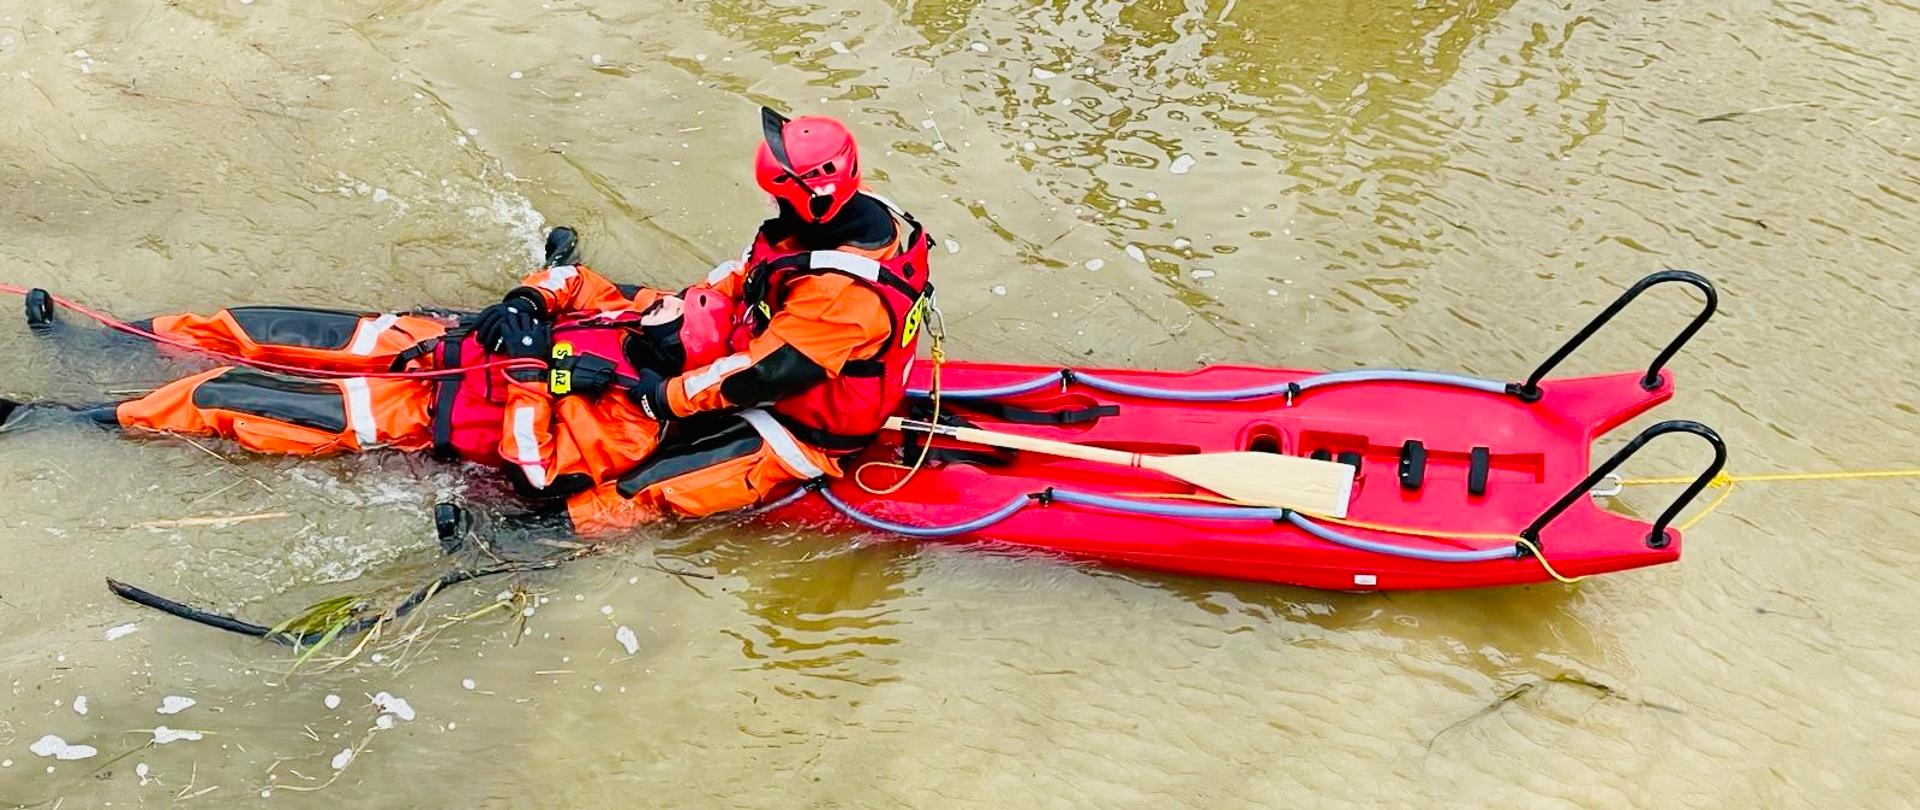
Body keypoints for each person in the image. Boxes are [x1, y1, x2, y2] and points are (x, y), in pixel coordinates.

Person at [4, 228, 725, 505]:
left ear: (682, 348)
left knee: (221, 397)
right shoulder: (643, 310)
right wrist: (527, 301)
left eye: (676, 314)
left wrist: (529, 377)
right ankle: (98, 342)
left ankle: (50, 419)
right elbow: (577, 283)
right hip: (415, 343)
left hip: (409, 414)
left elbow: (535, 468)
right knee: (251, 328)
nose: (663, 304)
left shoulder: (632, 424)